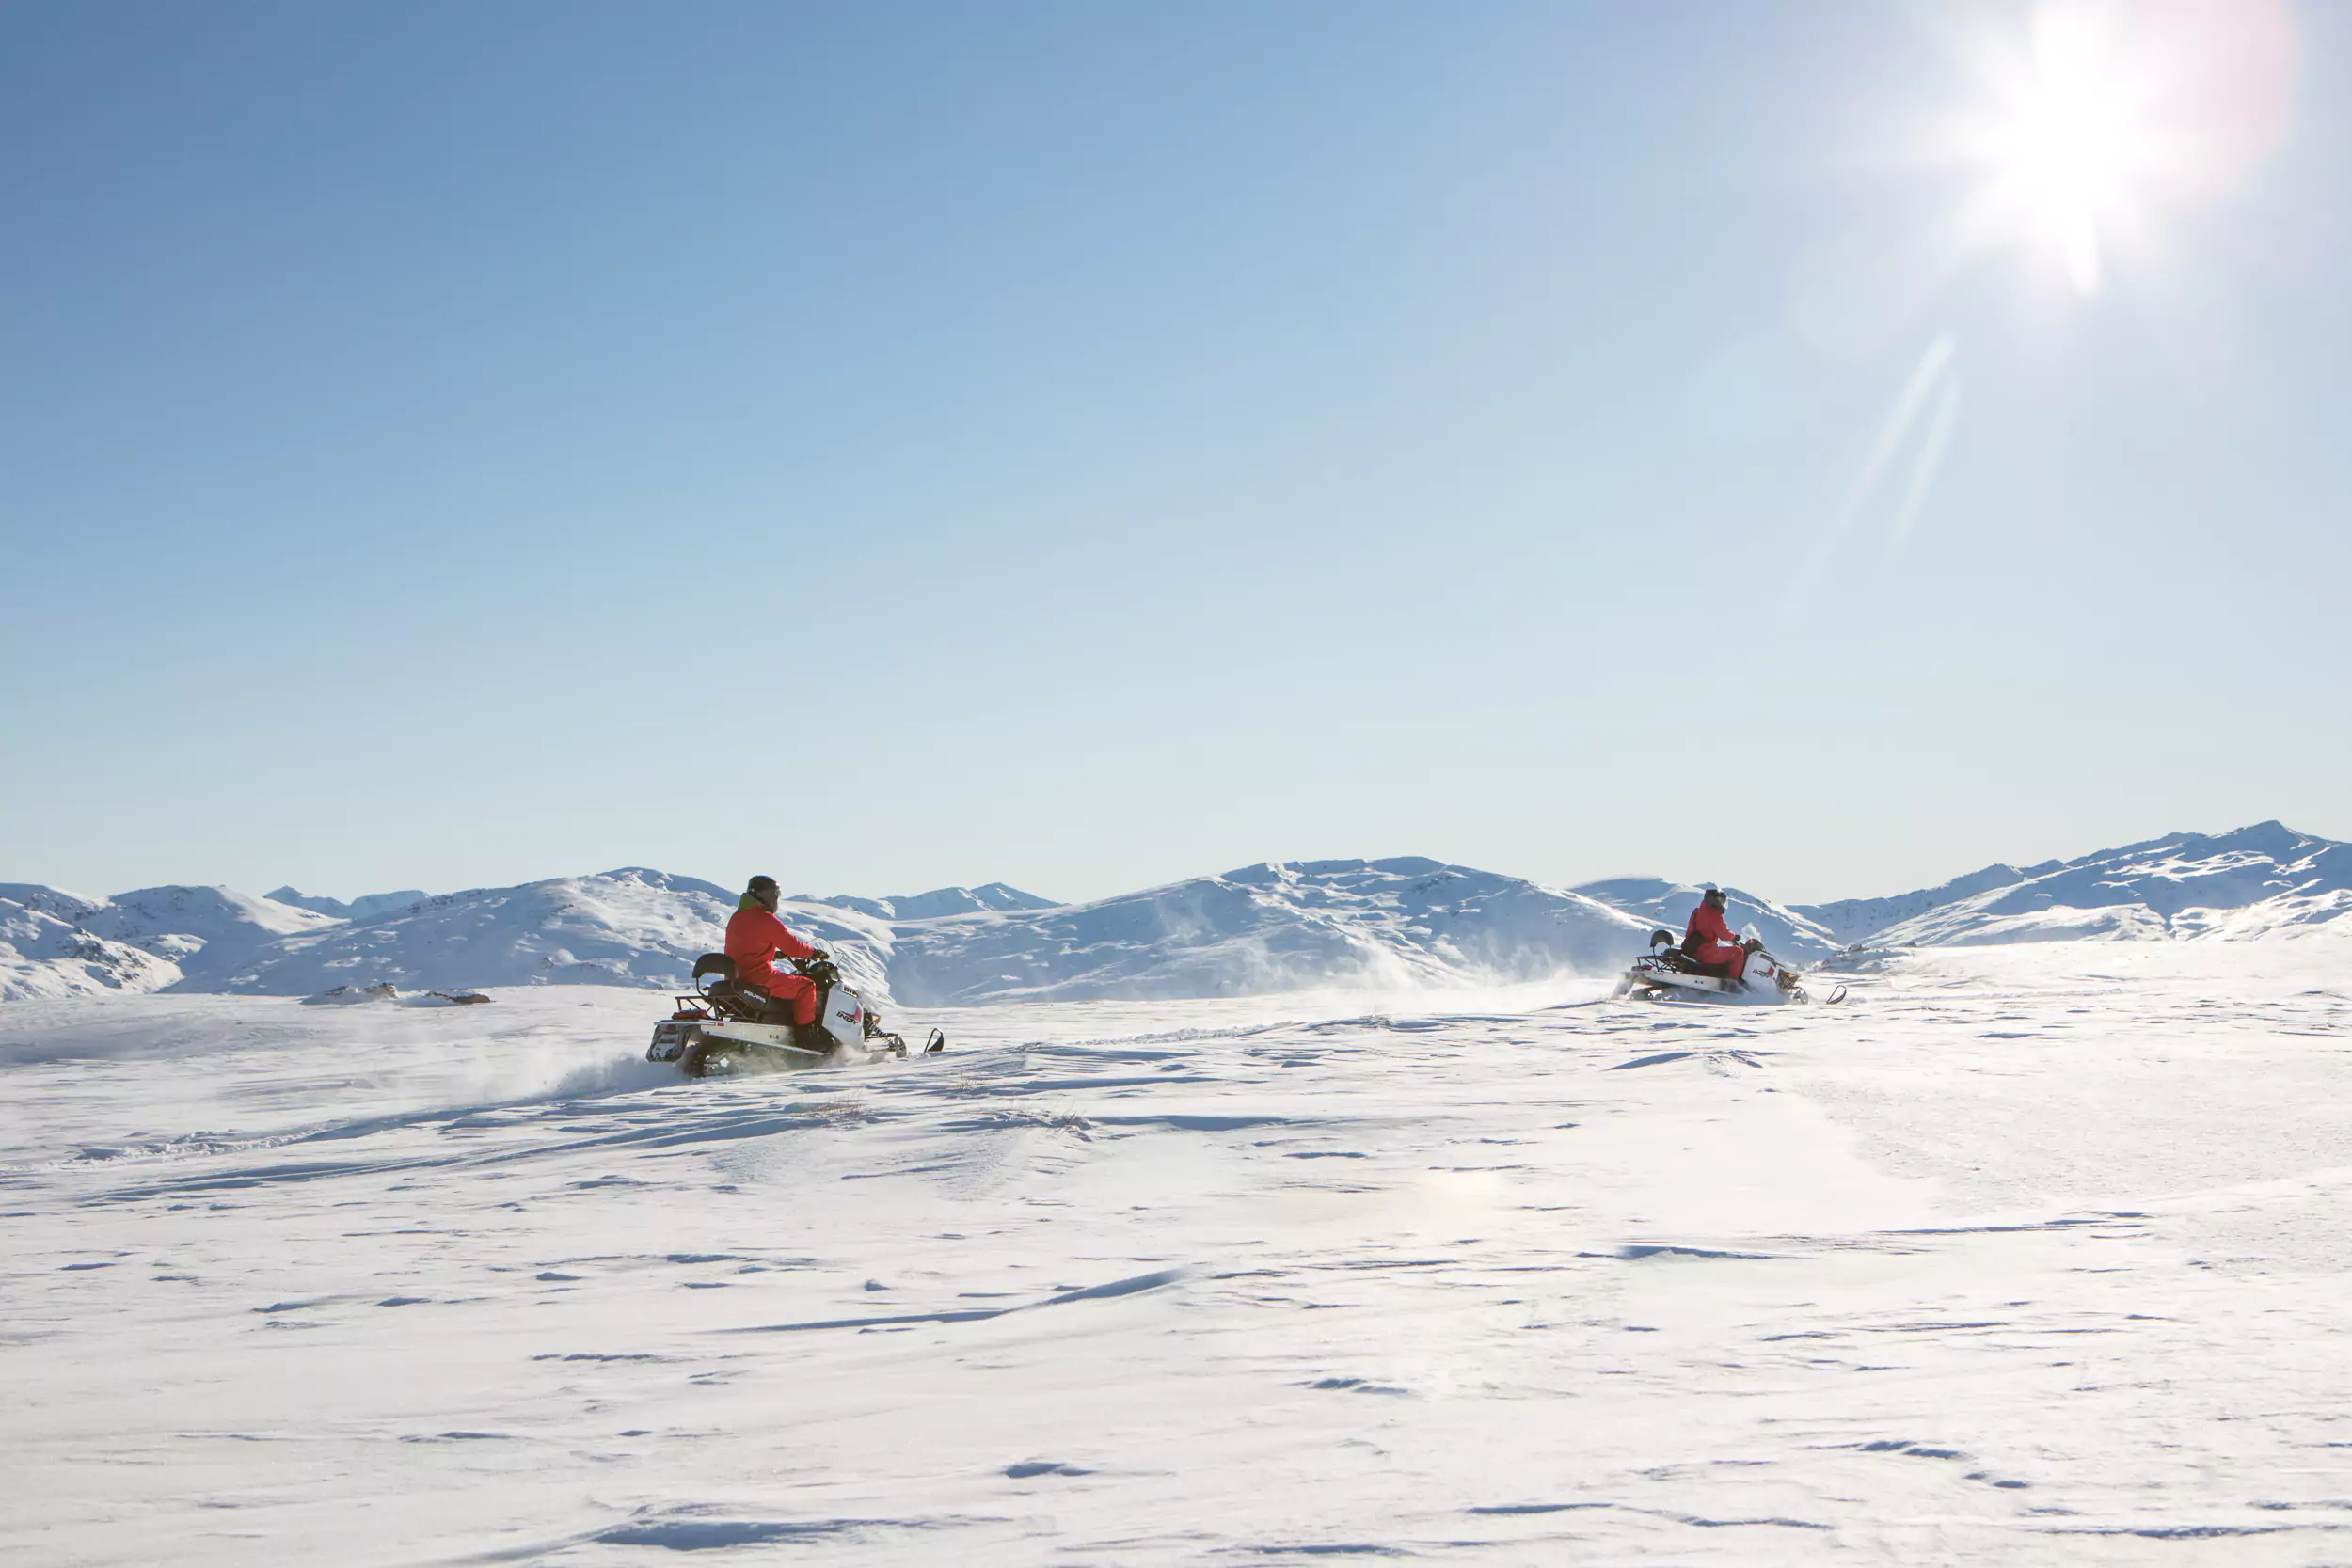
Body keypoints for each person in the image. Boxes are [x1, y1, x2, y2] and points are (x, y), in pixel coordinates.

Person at [724, 875, 828, 1034]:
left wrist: (773, 954)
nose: (776, 901)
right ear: (766, 896)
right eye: (775, 896)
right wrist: (813, 952)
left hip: (737, 977)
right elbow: (793, 947)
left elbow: (746, 948)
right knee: (807, 986)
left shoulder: (737, 918)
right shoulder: (766, 919)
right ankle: (806, 1035)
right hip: (759, 978)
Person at [1681, 886, 1752, 984]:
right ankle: (1733, 984)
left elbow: (1691, 931)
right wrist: (1734, 936)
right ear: (1714, 901)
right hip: (1707, 954)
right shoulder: (1713, 914)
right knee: (1738, 952)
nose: (1722, 904)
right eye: (1721, 901)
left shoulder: (1697, 911)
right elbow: (1724, 935)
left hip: (1694, 950)